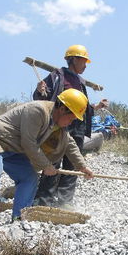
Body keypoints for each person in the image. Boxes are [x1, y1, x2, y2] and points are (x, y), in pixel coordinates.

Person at [0, 88, 94, 222]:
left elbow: (69, 143)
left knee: (29, 178)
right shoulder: (37, 111)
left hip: (14, 149)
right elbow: (29, 143)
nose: (71, 122)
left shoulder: (57, 123)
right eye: (71, 118)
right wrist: (46, 166)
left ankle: (20, 217)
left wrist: (82, 167)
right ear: (62, 109)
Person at [33, 44, 109, 208]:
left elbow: (83, 107)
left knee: (73, 164)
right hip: (60, 125)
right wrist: (40, 90)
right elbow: (42, 97)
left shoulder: (81, 82)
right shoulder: (57, 76)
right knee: (53, 161)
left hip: (78, 127)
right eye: (83, 61)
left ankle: (65, 202)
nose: (85, 65)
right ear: (73, 59)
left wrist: (97, 107)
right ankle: (43, 202)